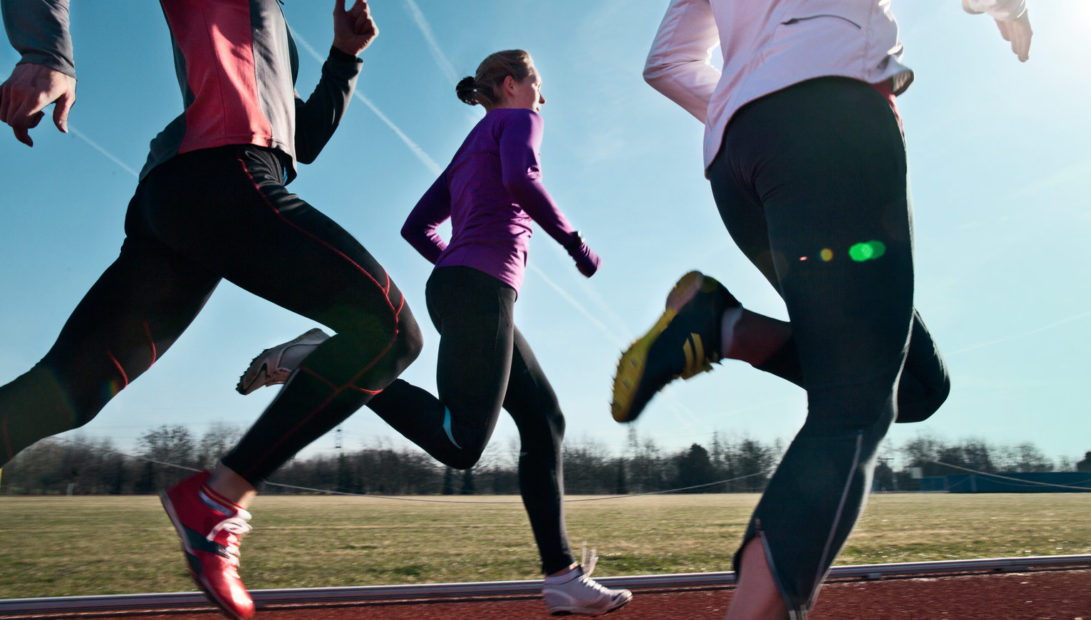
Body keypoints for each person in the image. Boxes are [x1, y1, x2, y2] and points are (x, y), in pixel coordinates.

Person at [0, 2, 422, 618]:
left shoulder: (272, 24)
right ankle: (217, 501)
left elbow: (297, 141)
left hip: (188, 196)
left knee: (68, 389)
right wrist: (44, 52)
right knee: (386, 331)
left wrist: (343, 59)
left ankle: (216, 500)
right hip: (218, 174)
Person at [614, 0, 1032, 618]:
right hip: (833, 124)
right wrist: (1010, 10)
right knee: (853, 406)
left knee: (916, 385)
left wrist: (744, 97)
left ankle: (724, 327)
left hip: (739, 162)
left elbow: (666, 63)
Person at [235, 50, 632, 617]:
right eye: (538, 84)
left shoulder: (470, 145)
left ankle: (562, 577)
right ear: (512, 84)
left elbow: (416, 226)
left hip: (465, 287)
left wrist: (458, 265)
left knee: (544, 421)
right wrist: (574, 244)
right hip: (479, 290)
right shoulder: (521, 121)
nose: (544, 98)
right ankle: (322, 354)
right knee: (461, 443)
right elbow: (522, 179)